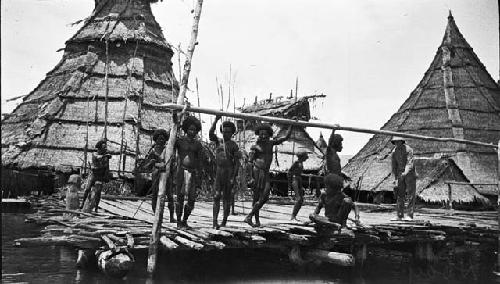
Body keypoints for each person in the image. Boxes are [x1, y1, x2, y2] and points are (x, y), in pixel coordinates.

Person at [244, 123, 292, 227]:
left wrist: (291, 125)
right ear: (258, 134)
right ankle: (256, 220)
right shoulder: (255, 147)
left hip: (265, 173)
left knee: (265, 196)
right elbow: (249, 163)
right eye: (261, 134)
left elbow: (285, 138)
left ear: (269, 134)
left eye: (265, 134)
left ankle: (249, 216)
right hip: (257, 171)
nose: (263, 136)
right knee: (256, 197)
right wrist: (250, 177)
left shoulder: (271, 144)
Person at [209, 115, 240, 229]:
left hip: (229, 171)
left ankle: (224, 221)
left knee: (226, 198)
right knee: (216, 196)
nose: (226, 134)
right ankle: (214, 222)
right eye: (224, 131)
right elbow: (211, 134)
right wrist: (216, 120)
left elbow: (237, 163)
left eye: (229, 132)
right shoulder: (218, 141)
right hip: (219, 171)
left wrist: (233, 177)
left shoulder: (233, 145)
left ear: (232, 133)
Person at [174, 116, 203, 228]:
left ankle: (185, 220)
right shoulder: (179, 142)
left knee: (191, 199)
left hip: (192, 172)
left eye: (194, 130)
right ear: (186, 129)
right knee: (180, 197)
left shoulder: (198, 144)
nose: (192, 131)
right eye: (190, 129)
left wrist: (199, 176)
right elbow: (170, 146)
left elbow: (200, 161)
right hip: (181, 171)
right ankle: (178, 221)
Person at [143, 129, 176, 222]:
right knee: (155, 195)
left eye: (163, 139)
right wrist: (153, 163)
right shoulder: (152, 151)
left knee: (169, 195)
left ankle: (171, 217)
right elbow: (146, 167)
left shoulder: (168, 150)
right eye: (159, 139)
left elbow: (172, 163)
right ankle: (156, 215)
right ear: (155, 139)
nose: (161, 141)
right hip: (156, 174)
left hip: (167, 174)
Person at [81, 139, 111, 212]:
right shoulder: (95, 154)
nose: (105, 148)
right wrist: (106, 155)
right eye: (104, 147)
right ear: (99, 148)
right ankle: (82, 203)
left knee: (98, 192)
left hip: (100, 176)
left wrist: (106, 176)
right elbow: (98, 157)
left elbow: (106, 166)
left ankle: (96, 207)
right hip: (93, 175)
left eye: (105, 147)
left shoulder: (106, 156)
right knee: (87, 189)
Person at [391, 136, 416, 221]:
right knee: (399, 194)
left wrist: (405, 173)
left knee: (410, 194)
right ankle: (399, 215)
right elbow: (394, 165)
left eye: (398, 141)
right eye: (395, 142)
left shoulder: (409, 150)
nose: (396, 143)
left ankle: (409, 215)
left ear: (402, 141)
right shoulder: (394, 152)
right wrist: (395, 178)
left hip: (410, 174)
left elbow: (410, 163)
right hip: (399, 174)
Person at [288, 151, 309, 221]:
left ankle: (294, 215)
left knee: (301, 200)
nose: (307, 158)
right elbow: (289, 172)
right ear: (302, 156)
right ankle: (292, 217)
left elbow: (299, 172)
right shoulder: (296, 162)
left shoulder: (301, 163)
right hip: (295, 180)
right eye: (306, 156)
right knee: (298, 198)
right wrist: (290, 183)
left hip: (299, 180)